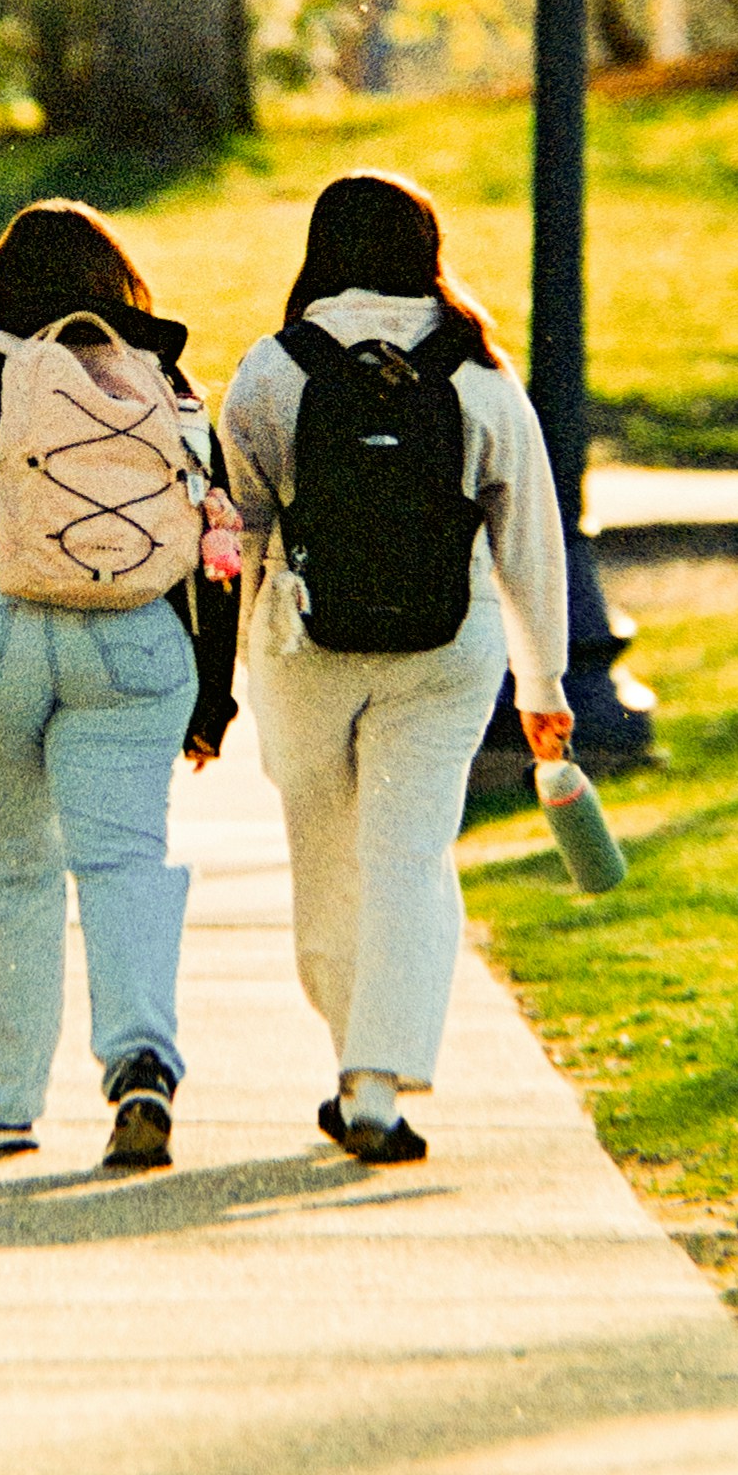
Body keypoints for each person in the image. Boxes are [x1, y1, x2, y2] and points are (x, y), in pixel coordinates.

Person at [0, 200, 238, 1171]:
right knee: (123, 859)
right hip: (133, 641)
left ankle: (5, 1099)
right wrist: (210, 693)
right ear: (116, 281)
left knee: (6, 862)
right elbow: (215, 545)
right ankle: (140, 1060)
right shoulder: (158, 379)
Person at [219, 172, 572, 1163]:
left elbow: (237, 526)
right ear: (427, 248)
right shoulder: (477, 372)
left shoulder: (271, 369)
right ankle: (374, 1082)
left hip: (302, 642)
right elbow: (529, 540)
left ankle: (350, 1057)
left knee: (324, 857)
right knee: (410, 854)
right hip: (443, 646)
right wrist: (543, 688)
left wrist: (230, 657)